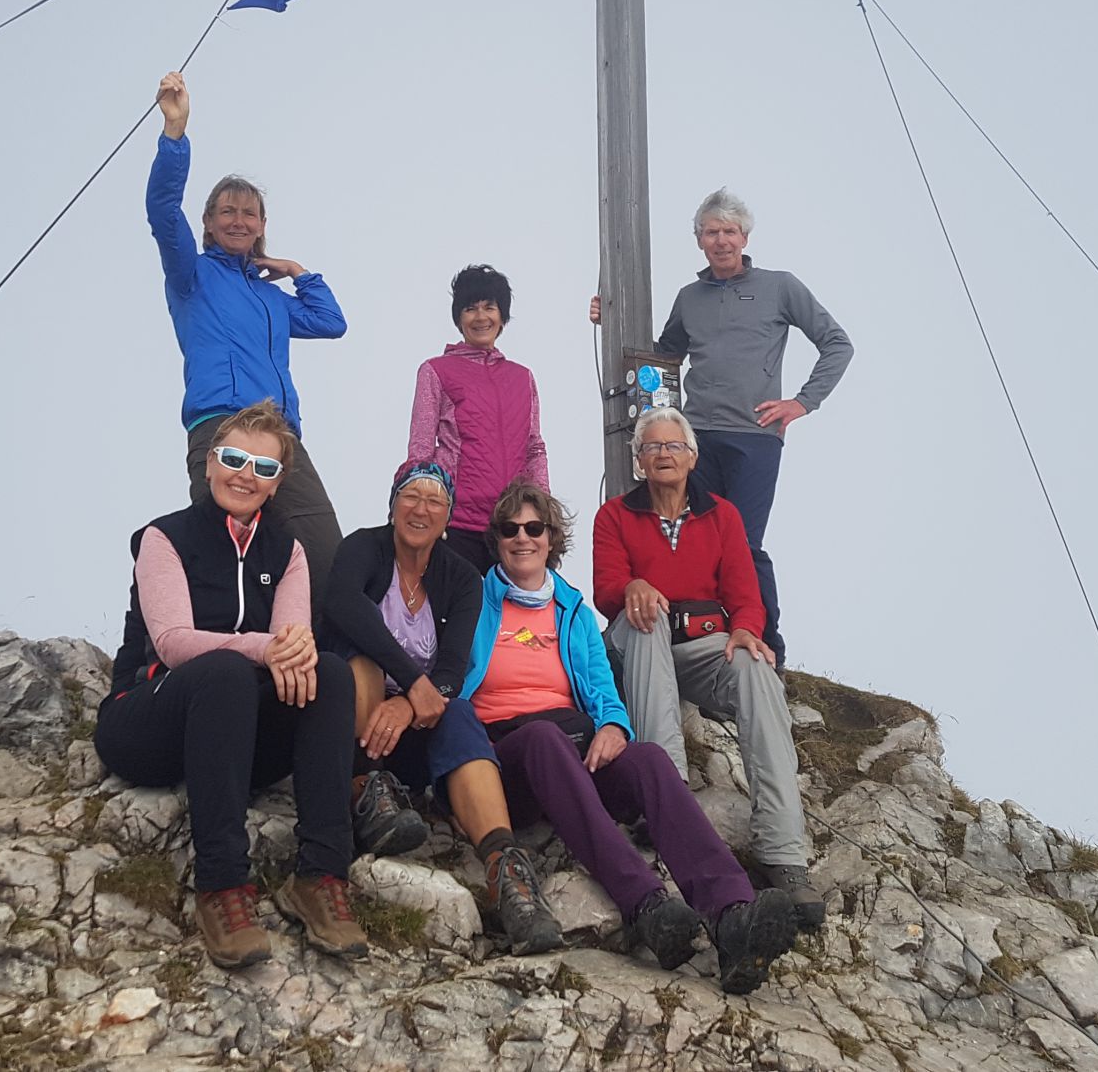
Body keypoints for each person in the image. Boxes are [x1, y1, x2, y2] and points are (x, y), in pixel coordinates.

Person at [462, 482, 798, 994]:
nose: (522, 538)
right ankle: (645, 904)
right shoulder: (474, 600)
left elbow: (600, 685)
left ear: (552, 539)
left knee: (647, 760)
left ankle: (733, 915)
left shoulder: (571, 610)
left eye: (535, 528)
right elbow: (449, 676)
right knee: (543, 739)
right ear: (498, 540)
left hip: (572, 748)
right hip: (505, 756)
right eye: (510, 530)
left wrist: (615, 727)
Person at [93, 401, 365, 968]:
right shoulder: (162, 537)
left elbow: (291, 643)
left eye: (264, 469)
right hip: (149, 723)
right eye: (235, 458)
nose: (246, 475)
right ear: (211, 462)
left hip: (235, 739)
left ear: (277, 484)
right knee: (225, 670)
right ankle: (222, 889)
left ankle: (321, 878)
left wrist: (296, 650)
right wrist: (264, 647)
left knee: (332, 675)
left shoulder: (287, 551)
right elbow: (170, 642)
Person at [590, 188, 851, 665]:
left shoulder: (780, 286)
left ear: (745, 236)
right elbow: (663, 357)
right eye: (712, 232)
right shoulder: (690, 298)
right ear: (699, 241)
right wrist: (609, 318)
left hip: (755, 438)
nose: (722, 240)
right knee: (694, 536)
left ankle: (767, 645)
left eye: (730, 231)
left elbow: (837, 342)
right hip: (697, 438)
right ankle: (699, 638)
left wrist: (801, 403)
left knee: (746, 544)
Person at [593, 405, 823, 930]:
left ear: (693, 457)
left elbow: (745, 592)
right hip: (640, 642)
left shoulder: (721, 514)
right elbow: (607, 590)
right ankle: (666, 797)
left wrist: (746, 629)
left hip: (701, 645)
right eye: (652, 447)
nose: (664, 455)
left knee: (756, 668)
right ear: (638, 462)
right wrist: (633, 586)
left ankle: (783, 850)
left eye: (674, 446)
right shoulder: (615, 515)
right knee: (645, 620)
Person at [320, 461, 563, 954]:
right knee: (361, 663)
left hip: (412, 729)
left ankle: (506, 872)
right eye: (411, 496)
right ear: (393, 506)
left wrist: (412, 706)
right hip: (352, 728)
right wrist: (412, 682)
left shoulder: (459, 577)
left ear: (448, 515)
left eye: (435, 500)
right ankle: (367, 791)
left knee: (459, 713)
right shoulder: (363, 549)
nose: (421, 508)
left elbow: (452, 668)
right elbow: (344, 607)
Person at [147, 71, 348, 599]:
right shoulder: (191, 277)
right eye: (227, 211)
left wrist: (297, 270)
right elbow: (163, 213)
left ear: (262, 225)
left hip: (279, 435)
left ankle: (325, 665)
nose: (239, 220)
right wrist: (175, 135)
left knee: (323, 552)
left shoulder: (270, 299)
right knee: (222, 555)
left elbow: (331, 323)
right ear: (209, 224)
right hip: (221, 424)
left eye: (249, 213)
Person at [408, 264, 550, 570]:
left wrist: (542, 509)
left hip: (512, 526)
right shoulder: (436, 370)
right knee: (462, 615)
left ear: (502, 317)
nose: (481, 317)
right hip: (456, 523)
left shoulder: (522, 376)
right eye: (470, 309)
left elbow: (534, 447)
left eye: (490, 307)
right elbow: (420, 450)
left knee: (518, 617)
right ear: (459, 318)